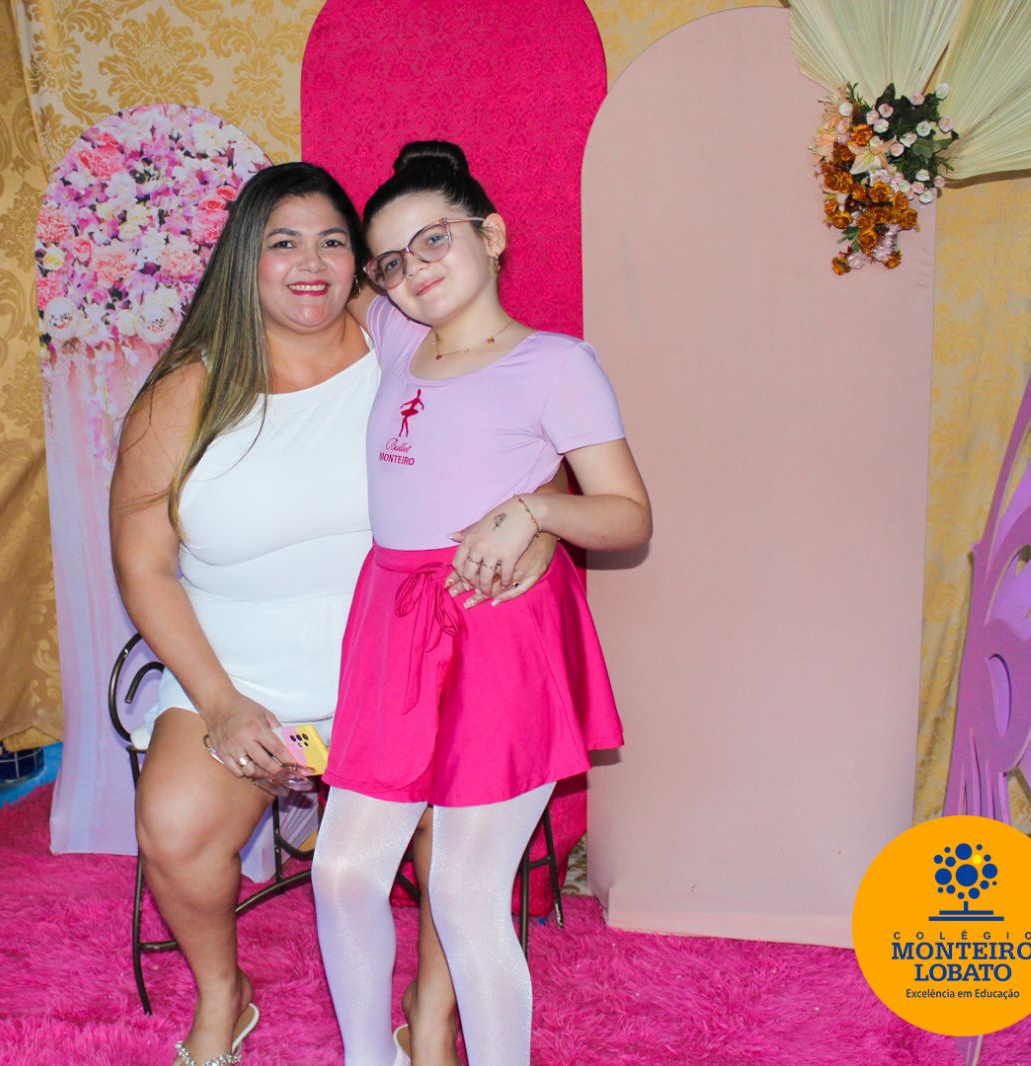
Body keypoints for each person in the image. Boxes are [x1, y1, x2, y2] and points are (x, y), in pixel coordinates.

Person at [109, 161, 562, 1066]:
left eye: (331, 242)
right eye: (283, 243)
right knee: (176, 826)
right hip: (240, 676)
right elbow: (144, 563)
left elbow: (520, 434)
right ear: (245, 259)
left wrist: (536, 529)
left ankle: (429, 1013)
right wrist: (221, 701)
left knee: (455, 829)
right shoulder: (185, 391)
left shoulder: (406, 342)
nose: (310, 264)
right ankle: (223, 993)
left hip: (400, 672)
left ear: (361, 261)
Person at [313, 140, 654, 1066]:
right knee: (341, 871)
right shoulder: (393, 333)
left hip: (499, 629)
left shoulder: (556, 365)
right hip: (393, 623)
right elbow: (314, 273)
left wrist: (536, 510)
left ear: (491, 235)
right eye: (391, 260)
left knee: (466, 897)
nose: (414, 271)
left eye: (435, 240)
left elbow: (627, 514)